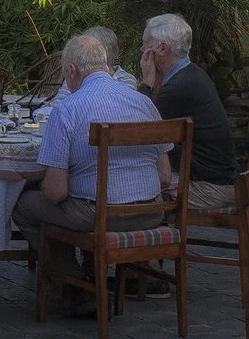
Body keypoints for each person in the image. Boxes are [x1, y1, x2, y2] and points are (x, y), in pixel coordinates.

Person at [14, 32, 170, 239]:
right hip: (151, 212)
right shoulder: (144, 102)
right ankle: (114, 260)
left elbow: (56, 192)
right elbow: (165, 177)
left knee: (23, 206)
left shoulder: (66, 109)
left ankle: (64, 261)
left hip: (96, 215)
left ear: (71, 70)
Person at [141, 13, 237, 212]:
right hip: (217, 179)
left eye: (145, 44)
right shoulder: (191, 74)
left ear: (162, 49)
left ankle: (155, 233)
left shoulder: (178, 87)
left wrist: (147, 83)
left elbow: (134, 128)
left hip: (209, 188)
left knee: (131, 192)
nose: (142, 51)